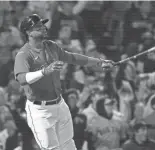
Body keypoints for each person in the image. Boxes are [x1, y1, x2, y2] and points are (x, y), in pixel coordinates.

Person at [14, 14, 115, 150]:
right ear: (28, 32)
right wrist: (44, 71)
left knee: (69, 146)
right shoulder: (24, 54)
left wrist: (99, 63)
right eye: (38, 27)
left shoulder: (51, 46)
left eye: (43, 25)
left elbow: (72, 58)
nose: (43, 28)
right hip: (40, 109)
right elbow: (22, 78)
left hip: (59, 104)